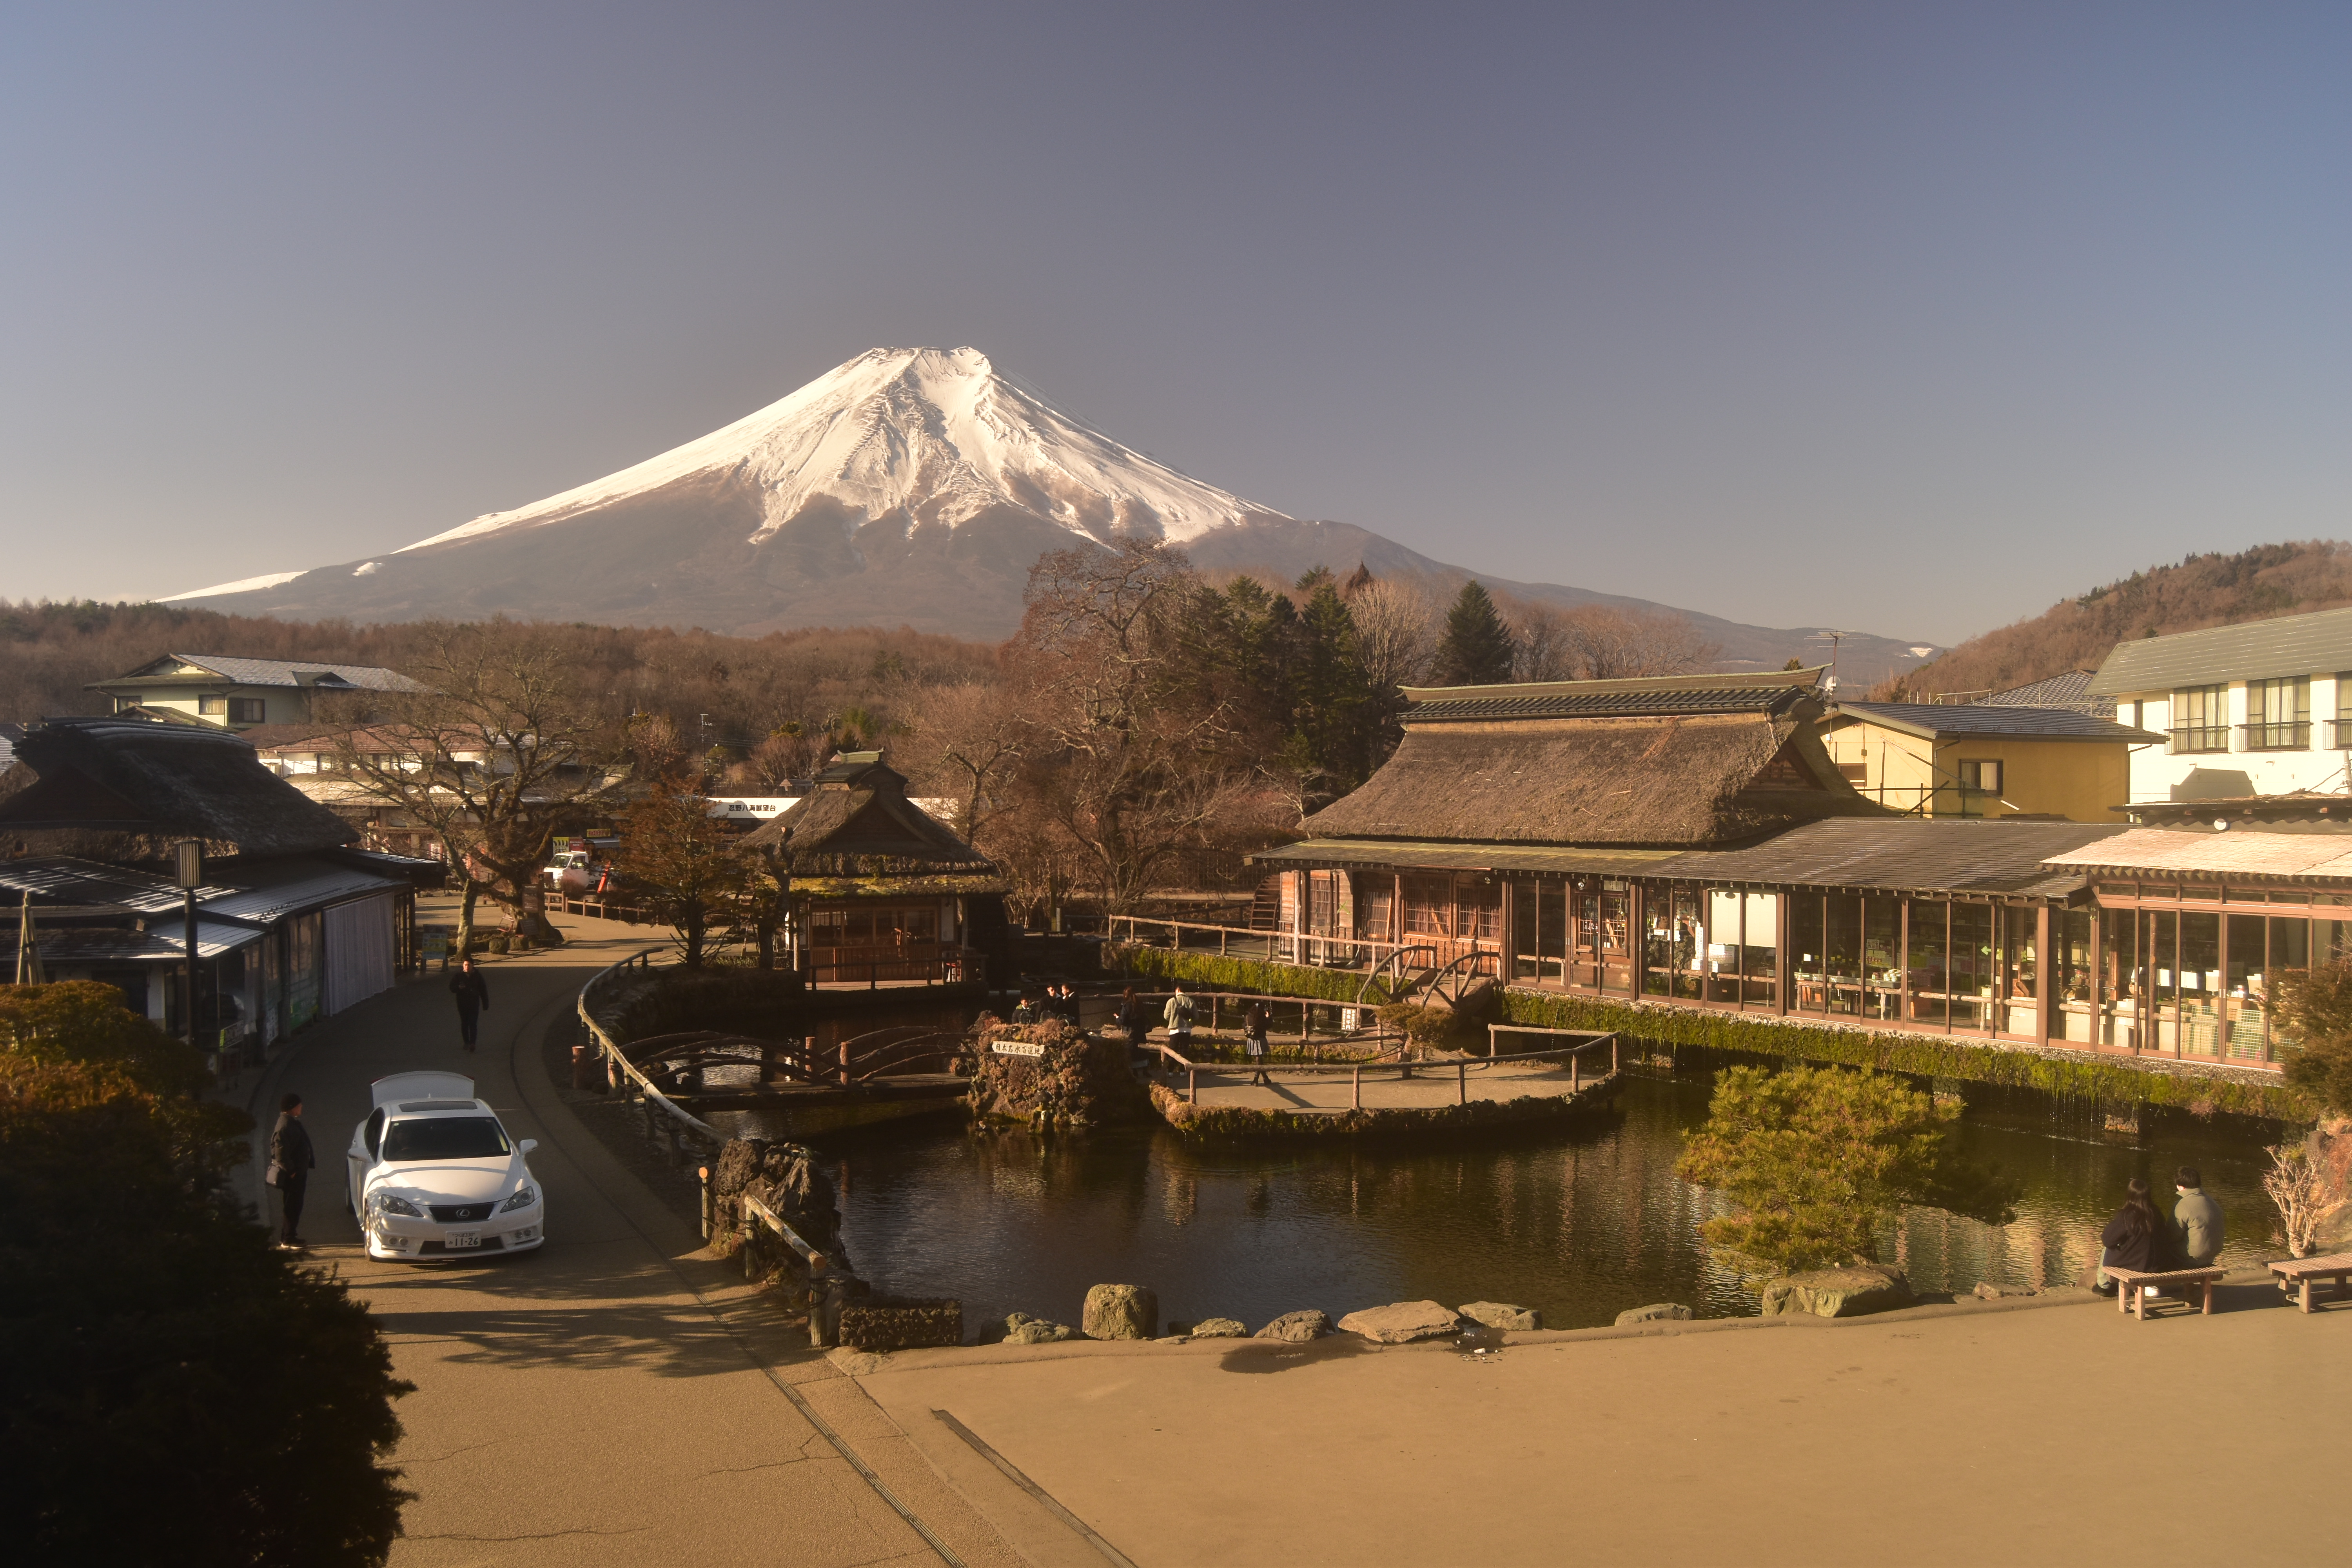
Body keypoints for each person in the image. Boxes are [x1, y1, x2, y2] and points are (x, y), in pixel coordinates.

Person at [2095, 1176, 2181, 1297]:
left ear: (2130, 1195)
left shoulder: (2127, 1215)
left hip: (2134, 1264)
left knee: (2107, 1249)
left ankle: (2103, 1285)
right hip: (2155, 1264)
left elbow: (2108, 1240)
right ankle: (2151, 1285)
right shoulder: (2156, 1213)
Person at [267, 1091, 315, 1250]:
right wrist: (293, 1171)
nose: (301, 1107)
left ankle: (288, 1236)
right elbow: (280, 1153)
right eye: (299, 1105)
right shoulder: (285, 1126)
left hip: (297, 1172)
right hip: (293, 1175)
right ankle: (288, 1238)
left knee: (294, 1205)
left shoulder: (290, 1122)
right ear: (291, 1108)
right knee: (292, 1206)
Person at [2173, 1165, 2225, 1268]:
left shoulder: (2182, 1205)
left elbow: (2172, 1236)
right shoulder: (2212, 1202)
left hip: (2192, 1259)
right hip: (2211, 1256)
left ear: (2181, 1186)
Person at [449, 956, 490, 1053]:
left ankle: (473, 1043)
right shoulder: (458, 976)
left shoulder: (478, 976)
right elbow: (452, 988)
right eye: (465, 965)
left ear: (473, 966)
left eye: (468, 965)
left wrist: (486, 1003)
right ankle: (466, 1042)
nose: (467, 967)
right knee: (465, 1023)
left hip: (474, 1003)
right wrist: (459, 988)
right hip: (462, 1004)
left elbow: (483, 991)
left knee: (473, 1023)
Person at [1243, 1001, 1273, 1087]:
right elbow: (1269, 1026)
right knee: (1259, 1060)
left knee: (1259, 1060)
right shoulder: (1261, 1018)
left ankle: (1265, 1079)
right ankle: (1256, 1080)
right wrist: (1269, 1017)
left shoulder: (1248, 1016)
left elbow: (1244, 1025)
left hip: (1252, 1040)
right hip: (1260, 1040)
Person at [1163, 982, 1196, 1056]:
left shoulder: (1171, 1001)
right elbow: (1196, 1017)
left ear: (1177, 990)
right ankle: (1183, 1067)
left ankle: (1171, 1067)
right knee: (1184, 1053)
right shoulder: (1191, 1001)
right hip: (1187, 1030)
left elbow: (1166, 1017)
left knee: (1172, 1054)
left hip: (1175, 1030)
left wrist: (1173, 1019)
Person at [1117, 986, 1153, 1052]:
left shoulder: (1126, 1006)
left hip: (1130, 1036)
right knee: (1141, 1053)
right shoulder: (1139, 1005)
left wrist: (1117, 1018)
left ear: (1125, 996)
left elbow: (1123, 1021)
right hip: (1141, 1035)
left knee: (1131, 1055)